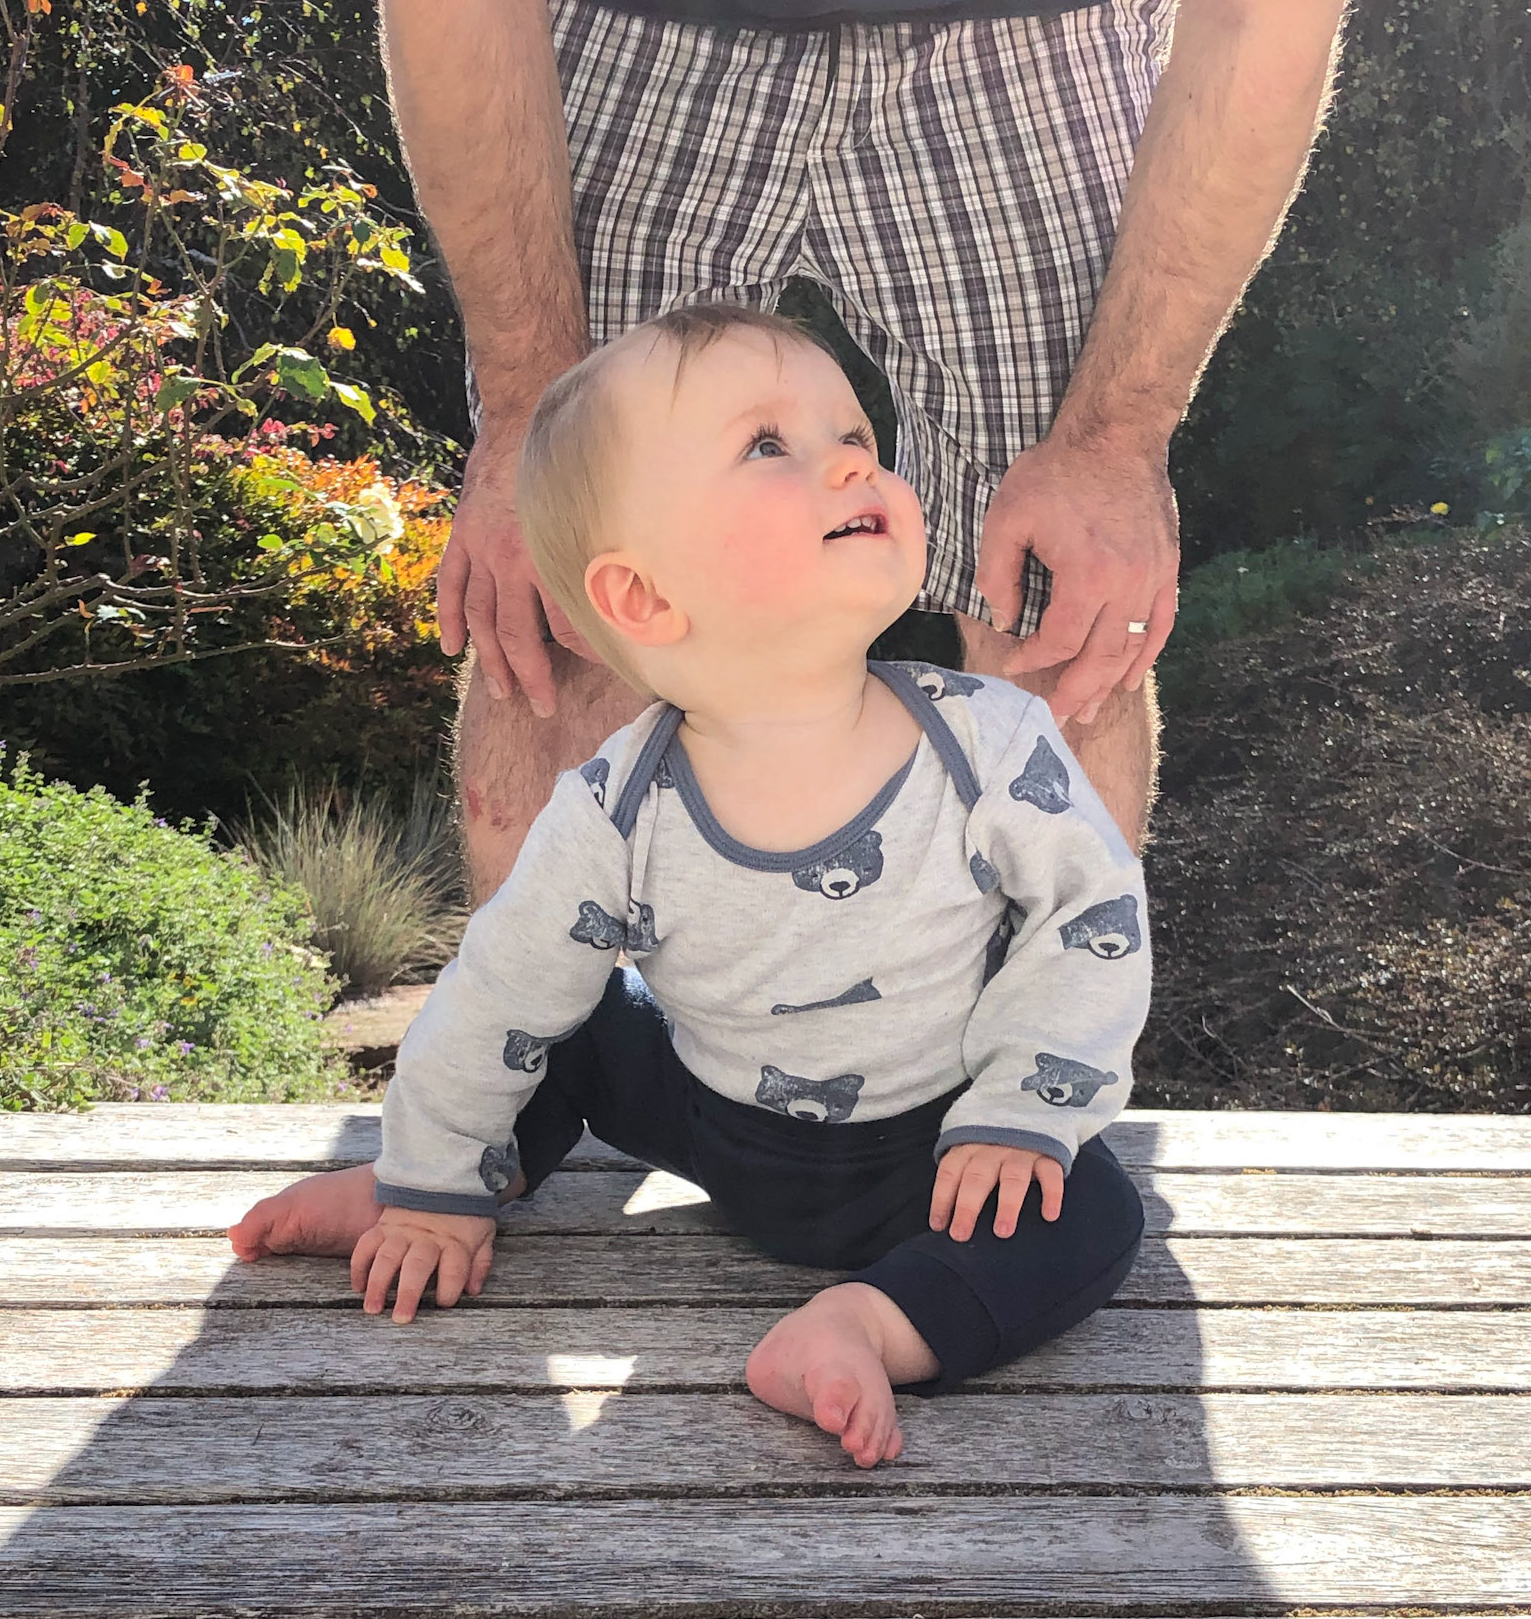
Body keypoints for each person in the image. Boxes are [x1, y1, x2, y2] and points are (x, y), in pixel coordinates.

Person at [230, 306, 1150, 1469]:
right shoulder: (616, 803)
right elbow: (496, 990)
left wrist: (1018, 1110)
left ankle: (866, 1321)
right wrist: (430, 1175)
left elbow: (1086, 921)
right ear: (642, 597)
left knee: (1089, 1207)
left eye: (852, 433)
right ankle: (443, 1178)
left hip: (930, 1155)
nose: (851, 461)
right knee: (559, 1018)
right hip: (708, 1121)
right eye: (769, 444)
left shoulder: (990, 741)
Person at [378, 0, 1351, 892]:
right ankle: (547, 1016)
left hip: (1038, 37)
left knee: (1066, 611)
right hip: (631, 23)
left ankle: (1057, 1016)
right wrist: (527, 423)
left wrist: (1116, 438)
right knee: (569, 601)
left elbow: (1260, 9)